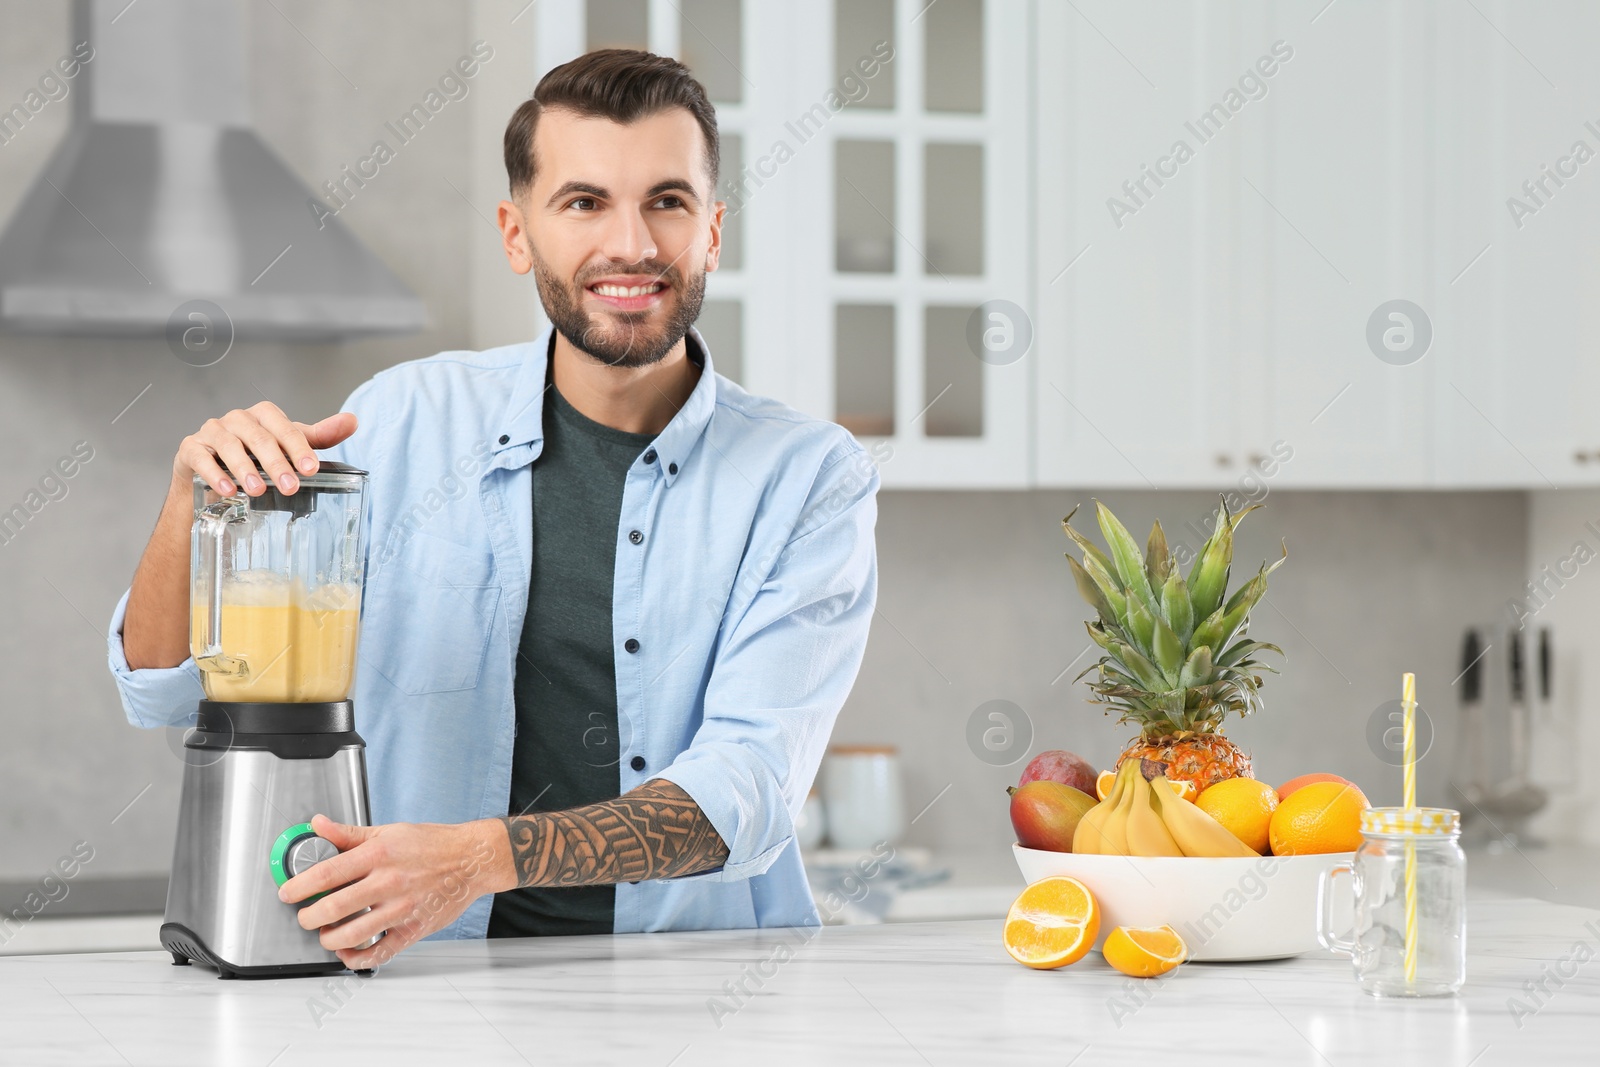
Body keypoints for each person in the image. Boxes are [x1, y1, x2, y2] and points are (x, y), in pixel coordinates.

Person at [107, 49, 880, 970]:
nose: (630, 244)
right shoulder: (398, 423)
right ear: (519, 234)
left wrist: (479, 859)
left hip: (697, 986)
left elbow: (748, 784)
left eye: (666, 202)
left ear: (712, 232)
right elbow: (161, 687)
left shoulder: (808, 476)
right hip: (421, 979)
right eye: (584, 202)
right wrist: (186, 504)